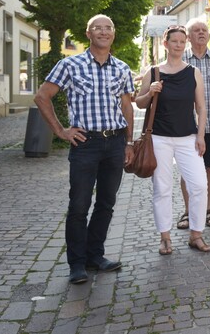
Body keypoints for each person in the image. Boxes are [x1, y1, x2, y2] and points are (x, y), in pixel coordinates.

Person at [34, 14, 134, 285]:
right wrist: (60, 131)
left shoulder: (122, 68)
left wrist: (128, 142)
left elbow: (126, 106)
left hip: (114, 142)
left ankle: (95, 256)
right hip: (85, 144)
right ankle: (76, 264)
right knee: (79, 204)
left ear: (113, 33)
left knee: (106, 203)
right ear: (88, 33)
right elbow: (42, 96)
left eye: (108, 28)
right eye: (97, 28)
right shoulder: (69, 65)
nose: (103, 32)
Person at [135, 25, 210, 254]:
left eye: (181, 41)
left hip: (187, 137)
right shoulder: (154, 72)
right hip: (159, 138)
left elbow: (201, 106)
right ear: (165, 44)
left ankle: (196, 234)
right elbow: (138, 102)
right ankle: (165, 238)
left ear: (185, 44)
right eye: (174, 41)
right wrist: (151, 92)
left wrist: (200, 135)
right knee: (162, 188)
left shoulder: (193, 72)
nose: (178, 45)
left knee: (199, 185)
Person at [176, 18, 210, 231]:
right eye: (196, 30)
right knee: (187, 171)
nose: (201, 33)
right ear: (188, 36)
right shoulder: (180, 59)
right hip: (187, 126)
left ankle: (208, 209)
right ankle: (188, 212)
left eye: (204, 30)